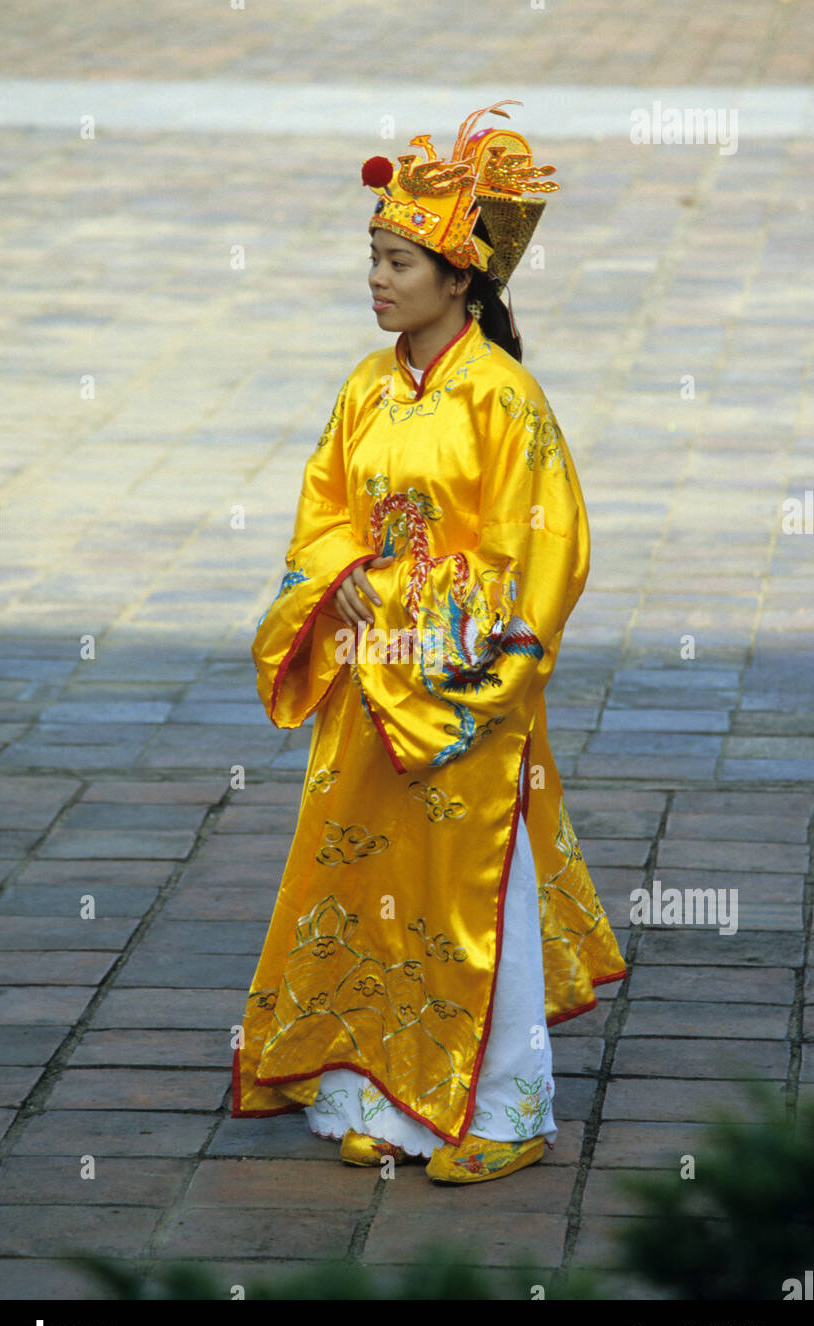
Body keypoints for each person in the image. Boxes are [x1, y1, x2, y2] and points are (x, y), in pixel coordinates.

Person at [231, 100, 627, 1184]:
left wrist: (466, 647)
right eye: (373, 256)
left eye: (399, 261)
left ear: (462, 279)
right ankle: (372, 1096)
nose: (378, 279)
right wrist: (341, 580)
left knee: (471, 893)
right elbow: (320, 518)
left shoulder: (508, 402)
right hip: (368, 686)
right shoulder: (365, 389)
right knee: (360, 882)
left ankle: (508, 1111)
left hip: (462, 691)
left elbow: (547, 550)